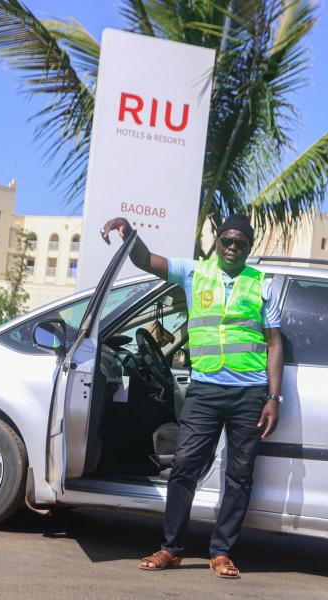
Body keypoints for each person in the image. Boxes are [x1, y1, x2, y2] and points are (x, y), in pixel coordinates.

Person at [100, 214, 283, 579]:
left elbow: (275, 343)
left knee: (240, 476)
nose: (233, 247)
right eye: (227, 240)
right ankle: (172, 548)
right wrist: (129, 232)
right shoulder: (193, 272)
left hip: (248, 393)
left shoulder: (262, 284)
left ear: (250, 246)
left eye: (240, 243)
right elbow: (146, 260)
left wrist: (273, 398)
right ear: (218, 241)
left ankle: (221, 553)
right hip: (205, 389)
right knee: (184, 467)